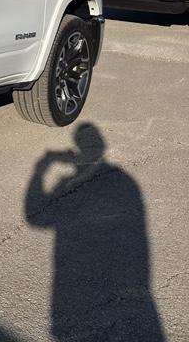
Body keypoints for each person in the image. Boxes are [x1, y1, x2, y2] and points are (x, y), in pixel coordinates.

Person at [25, 123, 163, 340]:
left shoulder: (80, 182)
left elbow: (36, 219)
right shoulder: (127, 182)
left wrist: (41, 168)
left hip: (75, 288)